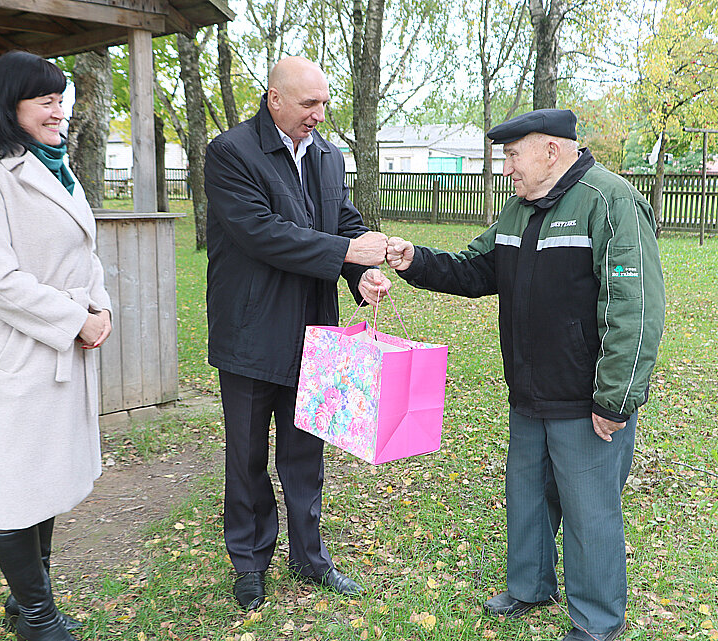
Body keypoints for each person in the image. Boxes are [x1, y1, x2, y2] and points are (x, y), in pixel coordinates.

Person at [386, 109, 664, 641]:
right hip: (528, 391)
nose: (507, 167)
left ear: (552, 151)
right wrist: (413, 259)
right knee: (528, 495)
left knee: (589, 513)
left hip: (585, 400)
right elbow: (472, 269)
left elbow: (637, 307)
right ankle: (531, 585)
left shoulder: (610, 202)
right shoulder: (519, 211)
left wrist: (615, 398)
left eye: (513, 155)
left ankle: (597, 620)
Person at [0, 51, 112, 641]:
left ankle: (25, 601)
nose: (58, 110)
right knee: (15, 482)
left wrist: (100, 304)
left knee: (45, 475)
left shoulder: (52, 164)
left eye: (60, 98)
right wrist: (74, 319)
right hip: (5, 350)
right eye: (45, 99)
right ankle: (37, 616)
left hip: (56, 343)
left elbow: (82, 250)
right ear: (6, 104)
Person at [204, 56, 391, 610]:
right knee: (246, 457)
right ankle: (249, 561)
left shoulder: (329, 155)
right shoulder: (231, 154)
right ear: (274, 99)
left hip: (315, 333)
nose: (319, 113)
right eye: (309, 103)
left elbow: (344, 221)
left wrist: (362, 272)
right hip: (250, 333)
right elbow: (263, 234)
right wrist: (344, 252)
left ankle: (310, 557)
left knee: (306, 453)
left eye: (324, 102)